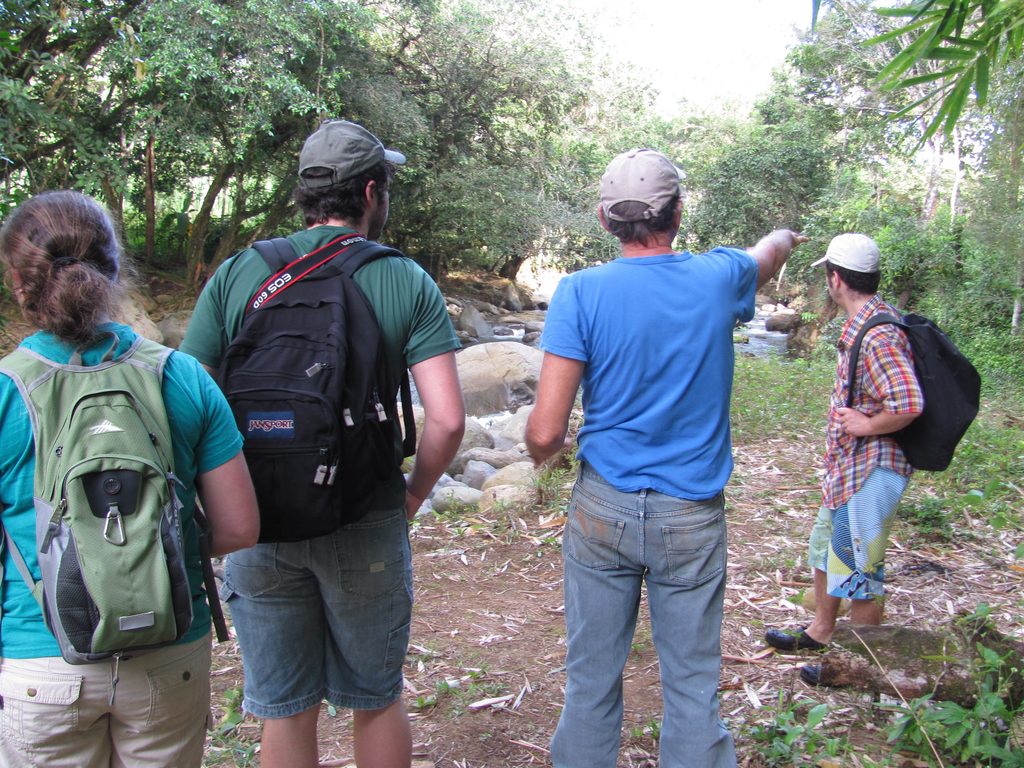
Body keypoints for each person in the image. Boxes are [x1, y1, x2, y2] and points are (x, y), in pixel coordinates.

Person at [180, 119, 465, 768]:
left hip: (257, 523)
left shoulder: (238, 273)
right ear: (371, 193)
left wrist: (218, 507)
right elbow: (447, 421)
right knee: (375, 699)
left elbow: (186, 397)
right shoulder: (404, 280)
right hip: (365, 516)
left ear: (307, 194)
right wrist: (413, 494)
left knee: (285, 709)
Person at [525, 148, 807, 768]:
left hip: (602, 507)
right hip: (692, 516)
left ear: (605, 219)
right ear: (679, 213)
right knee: (691, 689)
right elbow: (768, 255)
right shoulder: (719, 277)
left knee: (591, 682)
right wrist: (784, 236)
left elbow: (544, 432)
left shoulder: (578, 292)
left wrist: (558, 455)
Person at [0, 190, 260, 767]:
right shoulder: (182, 376)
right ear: (115, 273)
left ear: (19, 281)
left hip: (40, 662)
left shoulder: (3, 391)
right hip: (168, 652)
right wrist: (150, 547)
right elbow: (240, 528)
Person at [763, 233, 923, 682]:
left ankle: (858, 667)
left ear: (836, 279)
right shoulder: (869, 321)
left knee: (859, 569)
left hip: (873, 470)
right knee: (824, 547)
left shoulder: (879, 335)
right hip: (849, 469)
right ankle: (820, 630)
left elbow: (909, 403)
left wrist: (867, 425)